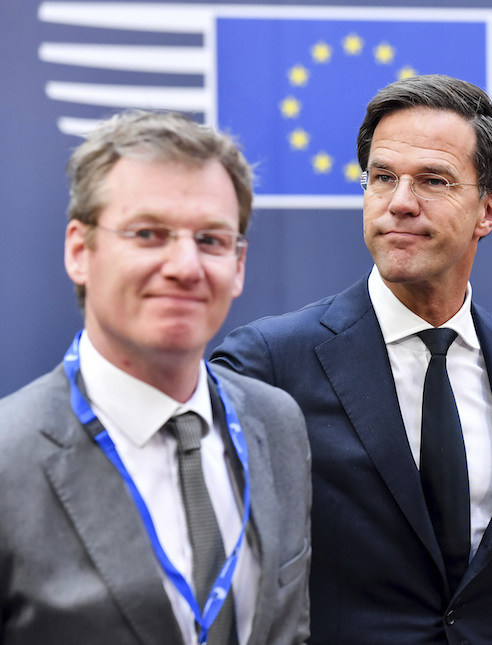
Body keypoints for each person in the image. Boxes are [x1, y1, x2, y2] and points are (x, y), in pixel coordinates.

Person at [212, 74, 492, 644]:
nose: (400, 203)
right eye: (383, 177)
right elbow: (210, 559)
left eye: (433, 180)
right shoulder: (269, 361)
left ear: (489, 210)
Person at [0, 110, 312, 645]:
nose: (186, 266)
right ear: (80, 251)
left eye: (211, 240)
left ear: (238, 265)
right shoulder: (10, 458)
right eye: (149, 234)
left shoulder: (277, 423)